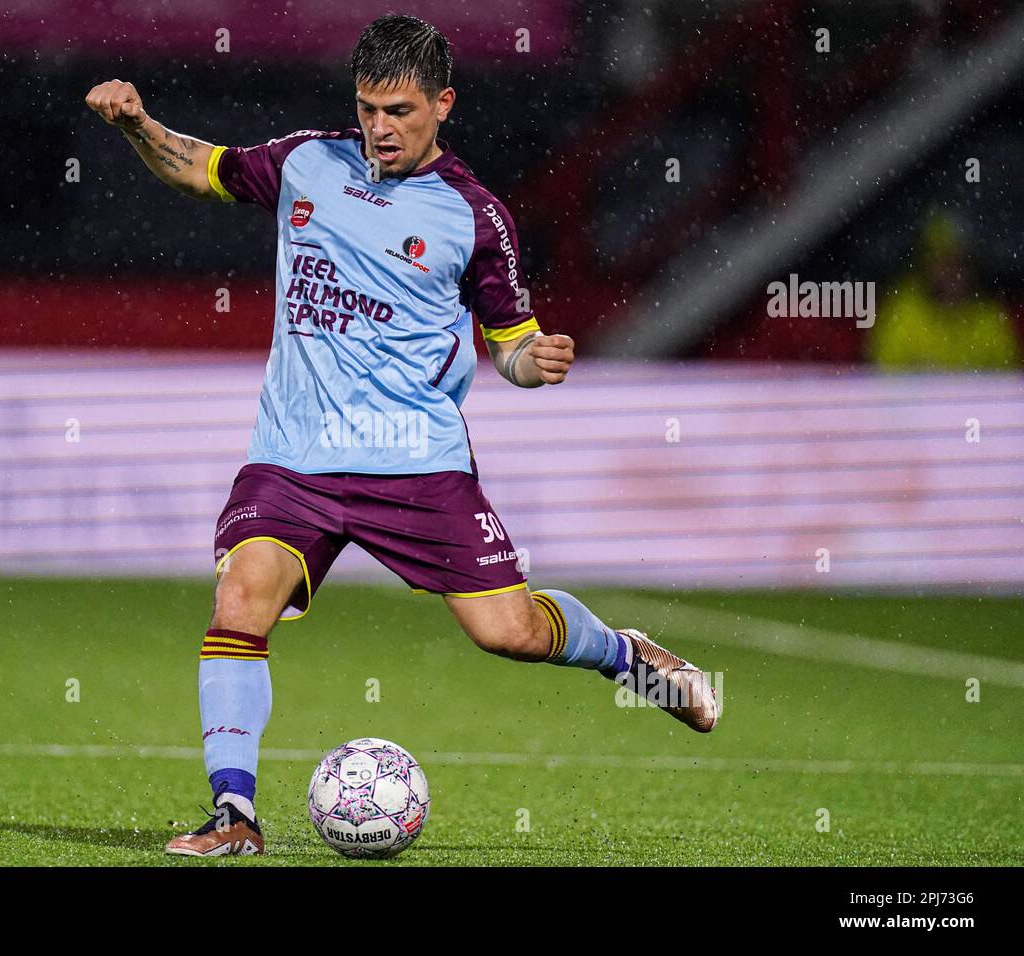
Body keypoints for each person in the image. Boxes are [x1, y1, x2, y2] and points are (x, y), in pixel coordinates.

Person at [85, 14, 720, 858]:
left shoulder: (474, 215)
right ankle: (233, 816)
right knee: (241, 600)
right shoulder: (310, 160)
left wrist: (539, 360)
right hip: (295, 454)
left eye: (400, 111)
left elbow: (512, 346)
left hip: (414, 463)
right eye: (368, 109)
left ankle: (624, 654)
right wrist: (137, 126)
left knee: (511, 634)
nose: (380, 128)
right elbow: (203, 171)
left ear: (443, 105)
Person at [870, 209, 1021, 369]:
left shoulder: (989, 316)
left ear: (972, 267)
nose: (951, 270)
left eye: (959, 261)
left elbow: (1008, 381)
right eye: (942, 260)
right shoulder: (902, 313)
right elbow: (885, 380)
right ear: (925, 264)